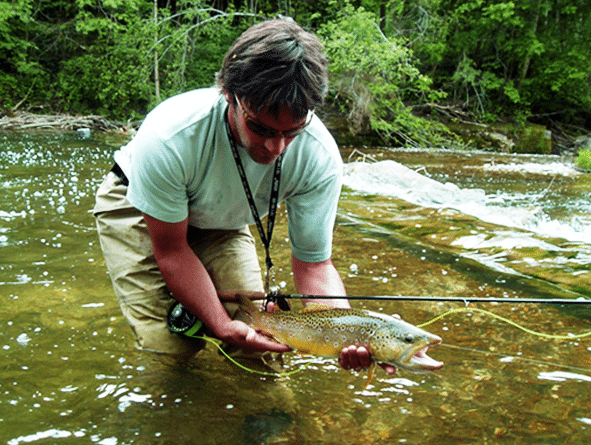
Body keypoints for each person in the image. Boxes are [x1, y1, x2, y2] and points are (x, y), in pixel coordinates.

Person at [93, 17, 395, 375]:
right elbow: (172, 252)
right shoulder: (169, 136)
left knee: (263, 339)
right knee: (170, 349)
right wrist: (220, 324)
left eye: (292, 132)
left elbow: (314, 265)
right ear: (228, 95)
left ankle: (267, 425)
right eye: (260, 127)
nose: (276, 147)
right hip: (137, 208)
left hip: (223, 217)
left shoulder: (320, 157)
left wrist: (348, 331)